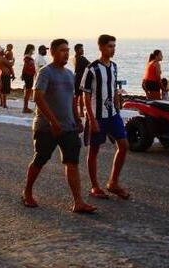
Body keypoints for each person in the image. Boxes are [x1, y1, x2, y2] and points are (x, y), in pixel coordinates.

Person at [22, 38, 96, 214]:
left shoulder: (70, 74)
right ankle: (27, 192)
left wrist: (77, 119)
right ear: (53, 52)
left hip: (68, 127)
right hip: (46, 127)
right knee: (40, 159)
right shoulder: (45, 72)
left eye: (67, 50)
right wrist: (53, 122)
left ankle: (78, 202)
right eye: (62, 50)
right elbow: (38, 97)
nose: (66, 53)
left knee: (72, 162)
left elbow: (72, 99)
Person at [82, 35, 130, 200]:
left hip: (113, 115)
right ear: (101, 47)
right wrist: (91, 119)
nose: (113, 49)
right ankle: (95, 186)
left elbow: (113, 89)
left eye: (114, 46)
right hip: (97, 117)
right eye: (110, 46)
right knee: (94, 150)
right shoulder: (92, 69)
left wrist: (118, 108)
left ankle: (113, 183)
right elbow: (86, 96)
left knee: (123, 145)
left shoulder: (114, 66)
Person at [73, 44, 90, 116]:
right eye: (81, 49)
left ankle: (77, 112)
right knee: (79, 96)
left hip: (76, 78)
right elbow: (90, 65)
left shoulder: (75, 58)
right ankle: (81, 112)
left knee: (77, 96)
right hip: (80, 79)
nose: (83, 50)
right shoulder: (81, 58)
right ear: (77, 50)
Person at [21, 44, 36, 113]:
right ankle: (25, 108)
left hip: (30, 75)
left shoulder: (29, 57)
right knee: (27, 92)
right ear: (30, 49)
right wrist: (23, 75)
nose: (33, 50)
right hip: (28, 76)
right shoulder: (27, 57)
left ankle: (26, 107)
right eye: (33, 49)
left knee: (28, 91)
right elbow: (25, 66)